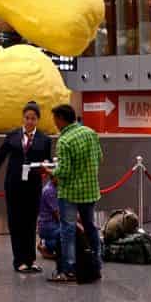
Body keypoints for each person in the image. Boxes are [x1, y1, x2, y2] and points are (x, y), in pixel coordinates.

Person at [0, 101, 53, 273]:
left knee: (30, 222)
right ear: (23, 118)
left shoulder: (44, 139)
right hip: (14, 186)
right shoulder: (12, 136)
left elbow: (48, 161)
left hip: (33, 186)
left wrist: (46, 167)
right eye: (27, 118)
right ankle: (19, 260)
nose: (29, 121)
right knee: (16, 222)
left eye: (33, 118)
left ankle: (31, 259)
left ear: (38, 120)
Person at [48, 103, 102, 283]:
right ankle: (96, 265)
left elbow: (64, 171)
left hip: (70, 193)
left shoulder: (64, 141)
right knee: (90, 228)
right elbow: (100, 158)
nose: (54, 123)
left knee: (68, 231)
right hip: (90, 191)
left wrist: (49, 172)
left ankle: (68, 270)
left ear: (62, 119)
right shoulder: (90, 133)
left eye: (55, 119)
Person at [35, 171, 60, 261]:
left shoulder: (54, 187)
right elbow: (57, 214)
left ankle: (46, 243)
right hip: (48, 225)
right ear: (53, 178)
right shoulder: (50, 191)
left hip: (50, 224)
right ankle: (45, 244)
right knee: (69, 235)